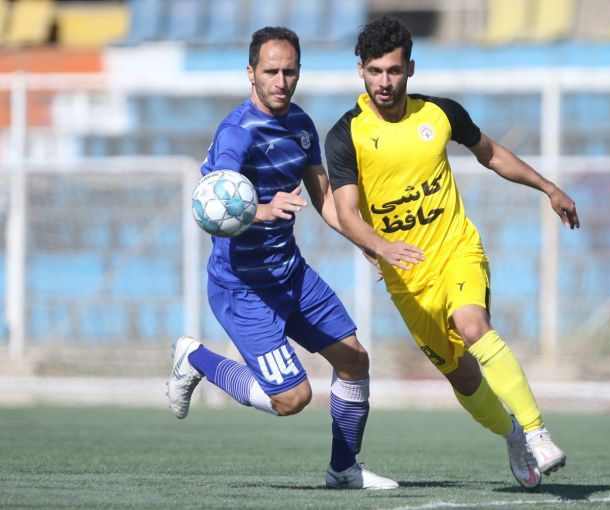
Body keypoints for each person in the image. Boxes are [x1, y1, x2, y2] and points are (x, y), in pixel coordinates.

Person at [325, 16, 580, 490]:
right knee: (463, 377)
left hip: (457, 249)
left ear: (410, 69)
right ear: (360, 70)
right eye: (375, 71)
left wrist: (548, 187)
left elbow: (491, 153)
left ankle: (537, 432)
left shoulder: (439, 114)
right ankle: (513, 436)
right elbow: (346, 213)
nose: (385, 82)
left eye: (394, 70)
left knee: (473, 325)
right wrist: (379, 246)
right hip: (407, 279)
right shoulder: (346, 135)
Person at [166, 26, 398, 491]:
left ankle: (344, 470)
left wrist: (368, 242)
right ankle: (196, 359)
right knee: (292, 399)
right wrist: (262, 210)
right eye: (271, 71)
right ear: (250, 73)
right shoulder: (237, 133)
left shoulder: (302, 125)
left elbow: (325, 199)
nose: (281, 81)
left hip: (291, 275)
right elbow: (209, 206)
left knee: (354, 361)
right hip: (243, 287)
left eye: (289, 72)